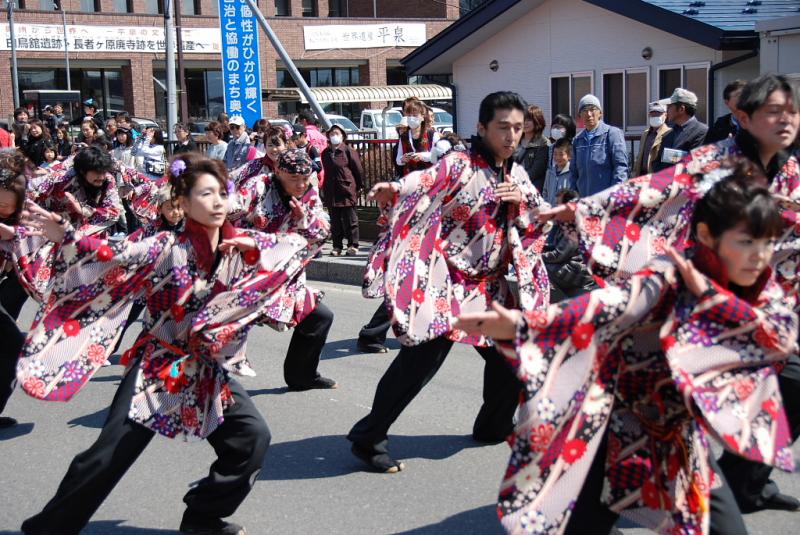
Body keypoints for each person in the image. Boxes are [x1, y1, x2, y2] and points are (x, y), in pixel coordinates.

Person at [457, 162, 797, 535]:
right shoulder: (669, 275)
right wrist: (523, 325)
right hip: (612, 422)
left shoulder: (758, 285)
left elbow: (776, 335)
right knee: (584, 520)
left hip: (675, 431)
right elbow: (609, 304)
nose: (759, 255)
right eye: (746, 242)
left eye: (766, 243)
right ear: (705, 235)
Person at [537, 72, 800, 516]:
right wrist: (582, 210)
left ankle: (744, 482)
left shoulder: (790, 170)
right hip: (692, 307)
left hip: (757, 311)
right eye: (773, 111)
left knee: (791, 384)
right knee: (649, 420)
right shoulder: (716, 160)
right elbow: (651, 189)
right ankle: (590, 495)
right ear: (744, 117)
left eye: (790, 110)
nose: (786, 119)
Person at [17, 152, 314, 535]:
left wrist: (299, 233)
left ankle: (203, 517)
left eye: (222, 192)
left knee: (251, 439)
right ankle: (49, 528)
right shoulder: (165, 248)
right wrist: (68, 235)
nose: (218, 202)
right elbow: (116, 254)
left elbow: (291, 248)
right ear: (183, 202)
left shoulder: (246, 244)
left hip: (207, 369)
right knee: (107, 455)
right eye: (206, 194)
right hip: (159, 365)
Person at [348, 91, 551, 473]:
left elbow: (538, 215)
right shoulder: (461, 164)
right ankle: (369, 436)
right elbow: (424, 181)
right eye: (502, 127)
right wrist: (395, 189)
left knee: (512, 355)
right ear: (482, 127)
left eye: (518, 129)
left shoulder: (516, 173)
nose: (511, 136)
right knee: (419, 363)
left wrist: (520, 201)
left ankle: (492, 425)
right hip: (448, 282)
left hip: (491, 287)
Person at [228, 149, 338, 391]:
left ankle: (302, 376)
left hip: (281, 277)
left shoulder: (309, 194)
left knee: (318, 317)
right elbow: (224, 212)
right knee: (219, 328)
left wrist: (304, 218)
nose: (300, 185)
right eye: (293, 179)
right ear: (277, 171)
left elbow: (322, 231)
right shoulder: (258, 187)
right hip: (241, 274)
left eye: (304, 178)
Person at [541, 188, 595, 302]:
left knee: (540, 267)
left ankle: (555, 303)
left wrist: (537, 256)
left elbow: (558, 255)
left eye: (558, 204)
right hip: (569, 265)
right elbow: (556, 248)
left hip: (578, 271)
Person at [570, 94, 628, 196]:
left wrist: (615, 195)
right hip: (584, 201)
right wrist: (573, 196)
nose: (589, 114)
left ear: (600, 113)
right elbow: (574, 173)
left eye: (592, 109)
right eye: (584, 110)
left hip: (606, 200)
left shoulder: (612, 133)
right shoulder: (578, 140)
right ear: (580, 115)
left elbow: (620, 167)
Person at [321, 124, 364, 256]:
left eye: (337, 133)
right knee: (335, 221)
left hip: (346, 189)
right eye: (332, 133)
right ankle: (337, 246)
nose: (334, 136)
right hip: (331, 190)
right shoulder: (325, 153)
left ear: (343, 135)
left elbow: (358, 170)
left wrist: (359, 186)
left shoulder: (348, 151)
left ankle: (353, 245)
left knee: (350, 219)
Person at [653, 88, 710, 172]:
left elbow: (695, 164)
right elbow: (657, 163)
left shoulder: (702, 132)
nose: (666, 110)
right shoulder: (668, 135)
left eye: (670, 106)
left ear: (681, 109)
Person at [395, 97, 440, 176]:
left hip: (429, 177)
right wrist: (402, 159)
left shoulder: (432, 134)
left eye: (415, 115)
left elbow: (438, 156)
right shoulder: (403, 136)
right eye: (409, 115)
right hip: (410, 178)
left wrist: (422, 156)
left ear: (422, 117)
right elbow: (398, 159)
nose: (411, 118)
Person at [514, 104, 551, 191]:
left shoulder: (543, 143)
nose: (525, 123)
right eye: (523, 119)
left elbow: (536, 171)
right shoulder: (515, 140)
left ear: (537, 121)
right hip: (514, 185)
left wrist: (518, 183)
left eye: (529, 120)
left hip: (532, 188)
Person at [633, 100, 672, 176]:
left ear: (665, 115)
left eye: (658, 114)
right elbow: (639, 157)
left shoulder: (669, 133)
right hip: (642, 176)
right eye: (653, 114)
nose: (655, 116)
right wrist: (634, 174)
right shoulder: (645, 134)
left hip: (657, 177)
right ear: (649, 115)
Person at [704, 79, 747, 144]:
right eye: (738, 95)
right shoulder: (720, 124)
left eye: (746, 95)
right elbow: (708, 148)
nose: (743, 99)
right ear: (727, 102)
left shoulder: (757, 121)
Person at [541, 138, 573, 205]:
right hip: (550, 211)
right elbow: (545, 192)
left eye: (561, 154)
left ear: (569, 156)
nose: (558, 157)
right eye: (555, 154)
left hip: (564, 212)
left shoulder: (572, 173)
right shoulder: (549, 172)